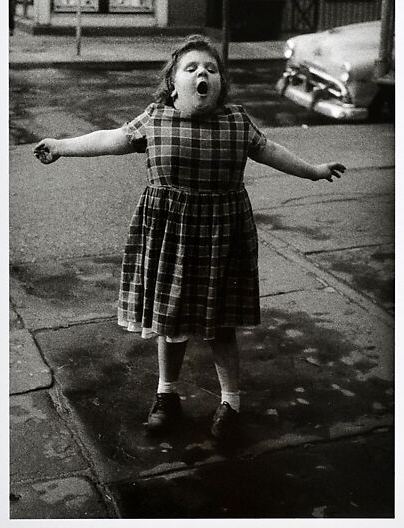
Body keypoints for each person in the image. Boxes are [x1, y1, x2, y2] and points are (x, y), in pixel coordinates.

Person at [34, 34, 345, 442]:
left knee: (220, 326)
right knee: (170, 321)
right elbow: (108, 138)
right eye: (192, 68)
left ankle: (231, 401)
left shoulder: (237, 122)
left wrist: (314, 170)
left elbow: (273, 151)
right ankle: (167, 394)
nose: (203, 73)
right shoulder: (155, 119)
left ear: (220, 83)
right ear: (173, 83)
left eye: (211, 69)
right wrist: (61, 145)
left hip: (222, 238)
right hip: (169, 236)